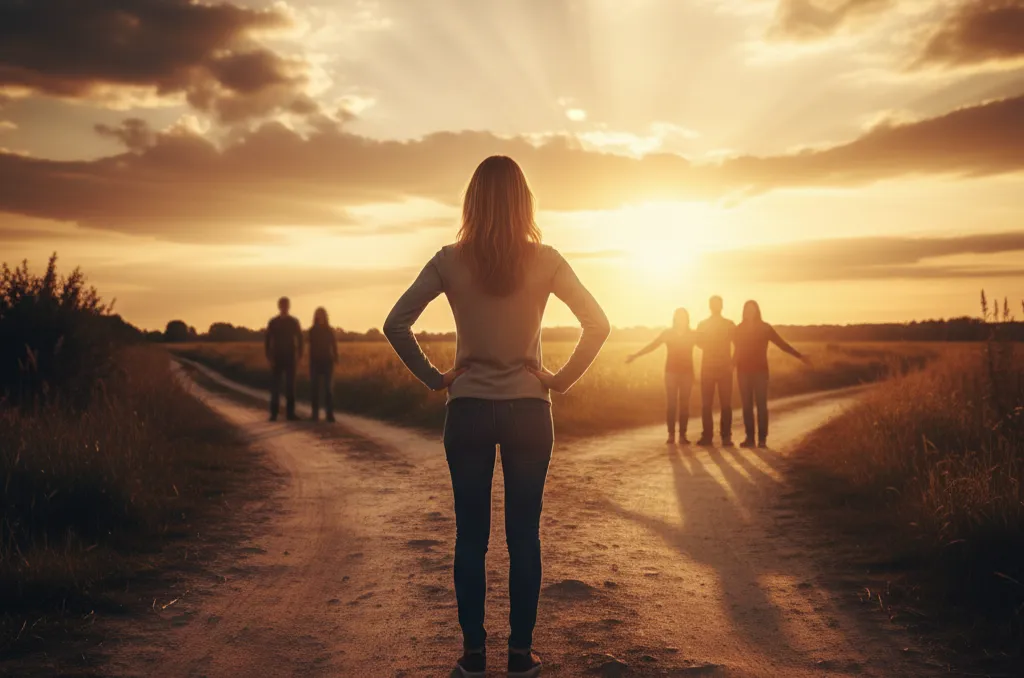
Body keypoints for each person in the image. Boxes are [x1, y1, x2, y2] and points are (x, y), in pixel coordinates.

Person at [383, 155, 610, 678]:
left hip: (467, 412)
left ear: (472, 202)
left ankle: (472, 657)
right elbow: (597, 324)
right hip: (530, 410)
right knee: (524, 536)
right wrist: (559, 378)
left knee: (470, 537)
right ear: (525, 202)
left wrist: (436, 377)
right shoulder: (547, 259)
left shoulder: (448, 259)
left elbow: (396, 323)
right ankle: (521, 656)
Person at [734, 300, 810, 448]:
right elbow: (737, 350)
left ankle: (762, 439)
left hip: (760, 372)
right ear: (744, 311)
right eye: (747, 309)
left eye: (752, 309)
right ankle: (749, 438)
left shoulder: (765, 328)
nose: (750, 312)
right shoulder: (739, 328)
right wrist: (730, 364)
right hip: (743, 371)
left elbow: (781, 344)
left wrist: (799, 356)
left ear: (757, 311)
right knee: (747, 406)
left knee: (761, 405)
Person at [626, 308, 697, 444]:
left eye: (683, 316)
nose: (681, 319)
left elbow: (709, 345)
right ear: (675, 318)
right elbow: (652, 346)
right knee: (671, 404)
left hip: (687, 373)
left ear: (687, 319)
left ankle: (682, 436)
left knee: (684, 405)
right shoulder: (668, 333)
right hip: (671, 372)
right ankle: (671, 435)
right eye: (678, 316)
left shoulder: (692, 334)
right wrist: (635, 355)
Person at [696, 295, 736, 446]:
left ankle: (726, 437)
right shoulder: (703, 324)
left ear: (722, 306)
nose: (715, 306)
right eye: (713, 304)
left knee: (725, 404)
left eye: (717, 304)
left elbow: (738, 344)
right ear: (709, 306)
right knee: (706, 404)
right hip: (707, 368)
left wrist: (732, 363)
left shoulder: (730, 324)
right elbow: (698, 343)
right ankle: (707, 436)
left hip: (725, 368)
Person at [265, 296, 303, 421]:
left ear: (288, 306)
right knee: (275, 387)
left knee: (290, 387)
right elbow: (268, 340)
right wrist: (269, 357)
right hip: (277, 357)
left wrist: (300, 355)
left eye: (286, 305)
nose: (284, 308)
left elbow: (300, 339)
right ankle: (274, 413)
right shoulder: (273, 322)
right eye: (283, 305)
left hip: (290, 357)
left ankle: (290, 414)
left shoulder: (294, 322)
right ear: (279, 306)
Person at [308, 307, 338, 423]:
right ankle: (314, 414)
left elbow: (334, 345)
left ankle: (329, 414)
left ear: (325, 316)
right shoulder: (312, 330)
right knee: (314, 389)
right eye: (318, 315)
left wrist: (336, 357)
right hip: (315, 362)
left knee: (328, 389)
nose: (320, 317)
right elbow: (311, 347)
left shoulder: (329, 330)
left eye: (322, 315)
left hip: (327, 361)